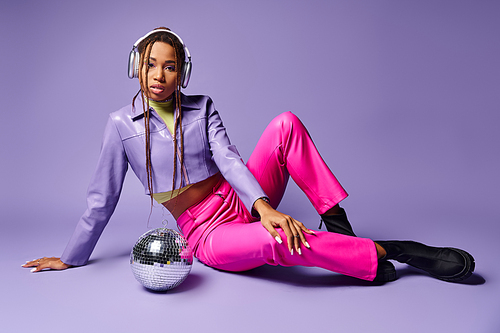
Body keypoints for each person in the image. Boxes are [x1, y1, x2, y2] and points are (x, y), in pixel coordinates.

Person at [23, 28, 474, 283]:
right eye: (149, 64)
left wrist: (261, 205)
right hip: (206, 232)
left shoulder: (203, 108)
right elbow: (102, 198)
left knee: (285, 124)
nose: (158, 75)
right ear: (135, 65)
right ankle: (387, 253)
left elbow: (230, 159)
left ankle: (339, 228)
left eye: (170, 65)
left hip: (241, 197)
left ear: (183, 71)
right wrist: (72, 257)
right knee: (275, 240)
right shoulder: (121, 125)